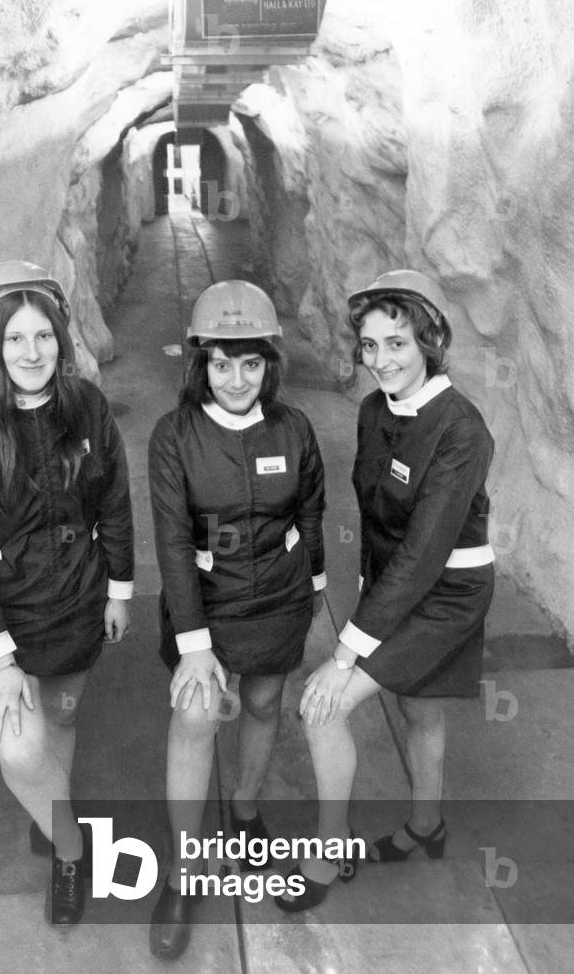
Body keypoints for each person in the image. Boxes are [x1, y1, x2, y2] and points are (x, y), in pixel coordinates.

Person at [277, 269, 495, 912]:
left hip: (448, 591)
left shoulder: (462, 430)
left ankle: (327, 849)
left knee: (325, 706)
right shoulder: (374, 411)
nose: (381, 361)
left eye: (396, 343)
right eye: (369, 346)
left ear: (430, 339)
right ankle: (428, 826)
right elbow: (375, 519)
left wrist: (347, 648)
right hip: (395, 585)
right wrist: (367, 592)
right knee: (418, 708)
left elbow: (427, 553)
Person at [0, 260, 134, 925]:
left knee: (63, 716)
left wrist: (121, 590)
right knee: (19, 743)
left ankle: (53, 807)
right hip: (2, 622)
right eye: (14, 338)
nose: (31, 351)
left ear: (61, 338)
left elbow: (116, 503)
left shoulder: (88, 408)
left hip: (77, 604)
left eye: (42, 335)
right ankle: (71, 848)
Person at [147, 280, 326, 960]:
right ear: (199, 364)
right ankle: (184, 869)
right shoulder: (174, 435)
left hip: (278, 594)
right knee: (196, 714)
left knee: (263, 697)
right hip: (207, 598)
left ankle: (246, 806)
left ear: (269, 365)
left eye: (250, 362)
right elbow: (170, 539)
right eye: (221, 362)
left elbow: (311, 507)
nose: (236, 378)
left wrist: (312, 580)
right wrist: (194, 646)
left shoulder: (295, 427)